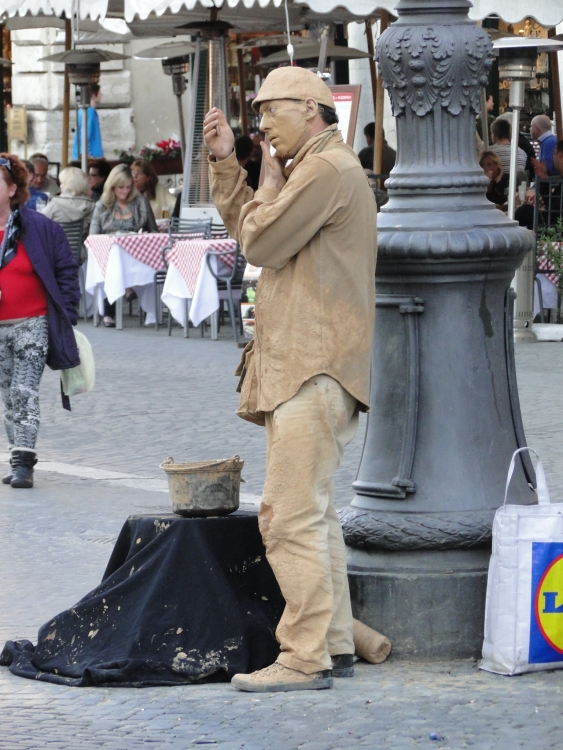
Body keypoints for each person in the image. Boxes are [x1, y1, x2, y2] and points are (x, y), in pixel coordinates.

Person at [204, 67, 377, 693]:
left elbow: (259, 240)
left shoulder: (325, 169)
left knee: (286, 517)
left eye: (269, 110)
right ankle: (334, 641)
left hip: (314, 364)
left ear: (310, 108)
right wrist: (235, 168)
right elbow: (259, 230)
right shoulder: (316, 167)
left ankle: (304, 656)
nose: (261, 123)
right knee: (315, 514)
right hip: (308, 366)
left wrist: (261, 182)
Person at [0, 153, 80, 489]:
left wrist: (68, 315)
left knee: (24, 391)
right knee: (6, 394)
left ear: (12, 188)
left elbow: (66, 270)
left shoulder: (40, 228)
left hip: (32, 323)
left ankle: (23, 463)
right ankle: (15, 450)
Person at [90, 164, 158, 327]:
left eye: (128, 187)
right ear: (112, 186)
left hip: (137, 255)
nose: (125, 191)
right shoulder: (102, 205)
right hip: (109, 255)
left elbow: (153, 230)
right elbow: (93, 235)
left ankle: (124, 295)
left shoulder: (140, 202)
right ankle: (118, 300)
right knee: (113, 262)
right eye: (120, 187)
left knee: (118, 262)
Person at [42, 166, 95, 240]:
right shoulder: (91, 205)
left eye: (63, 183)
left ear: (69, 185)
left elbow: (40, 223)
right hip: (80, 250)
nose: (60, 186)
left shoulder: (55, 203)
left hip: (57, 249)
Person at [73, 83, 103, 161]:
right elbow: (86, 134)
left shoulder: (82, 111)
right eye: (99, 93)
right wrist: (87, 155)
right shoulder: (90, 111)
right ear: (93, 95)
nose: (101, 95)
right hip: (92, 156)